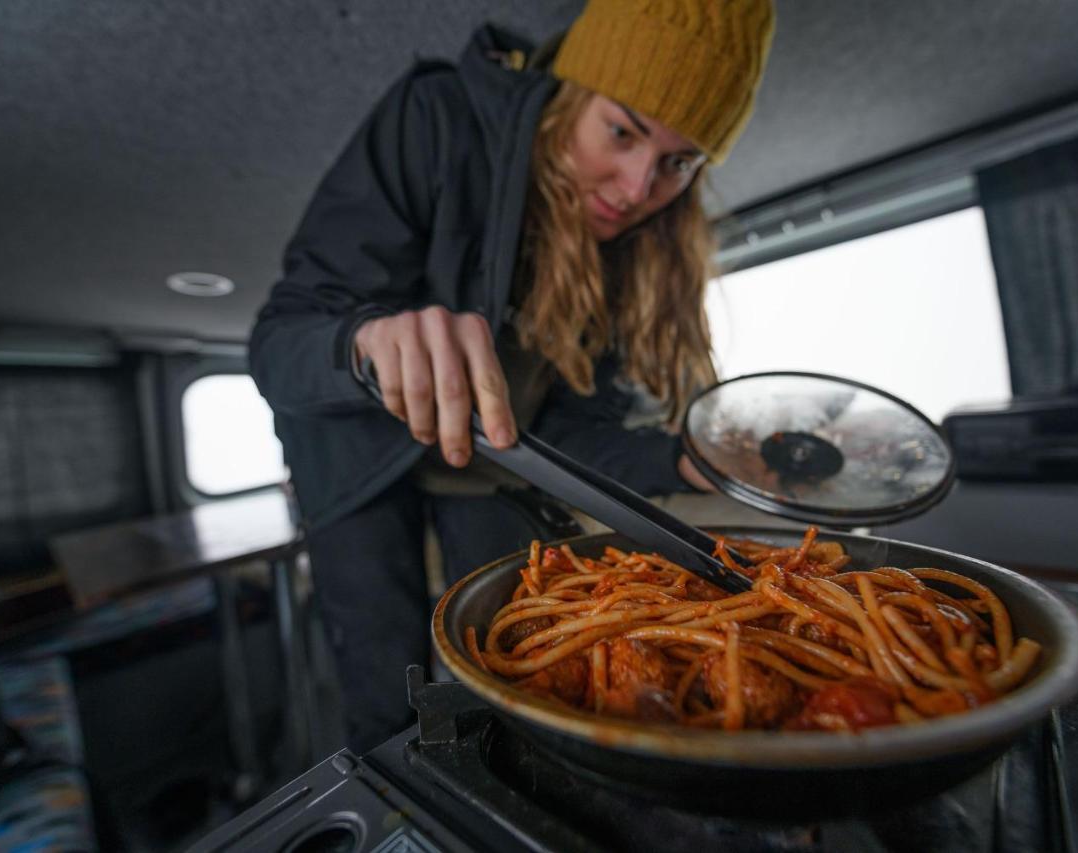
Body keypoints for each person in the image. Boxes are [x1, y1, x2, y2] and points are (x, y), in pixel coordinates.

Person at [250, 0, 776, 753]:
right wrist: (364, 342)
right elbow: (277, 342)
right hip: (352, 461)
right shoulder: (436, 117)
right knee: (385, 687)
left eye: (677, 163)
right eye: (622, 132)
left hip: (489, 466)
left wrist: (676, 460)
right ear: (573, 94)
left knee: (527, 667)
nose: (635, 190)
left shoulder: (630, 245)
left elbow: (566, 432)